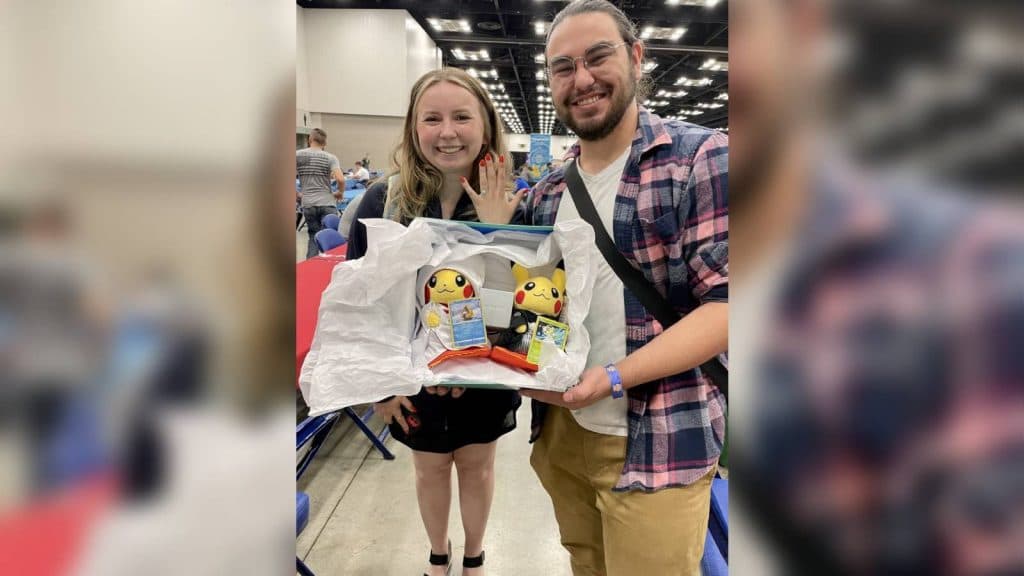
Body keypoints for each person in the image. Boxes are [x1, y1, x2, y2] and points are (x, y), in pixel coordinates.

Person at [514, 1, 730, 574]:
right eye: (563, 67)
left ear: (636, 57)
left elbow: (729, 307)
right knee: (587, 566)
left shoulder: (700, 158)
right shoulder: (546, 194)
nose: (581, 79)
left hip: (660, 434)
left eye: (597, 57)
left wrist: (611, 379)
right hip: (563, 430)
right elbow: (536, 306)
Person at [346, 67, 528, 576]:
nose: (447, 132)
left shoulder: (516, 201)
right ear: (413, 128)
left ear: (485, 125)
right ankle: (437, 555)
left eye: (461, 117)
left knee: (477, 466)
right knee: (428, 469)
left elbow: (527, 301)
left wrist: (496, 230)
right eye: (432, 118)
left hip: (485, 373)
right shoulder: (384, 201)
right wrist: (381, 388)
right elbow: (362, 304)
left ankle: (474, 556)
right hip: (412, 379)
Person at [296, 128, 346, 258]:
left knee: (313, 236)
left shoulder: (297, 155)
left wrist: (297, 194)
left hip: (308, 203)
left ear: (310, 139)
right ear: (324, 143)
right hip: (327, 202)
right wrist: (340, 192)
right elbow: (340, 179)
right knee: (331, 239)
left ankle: (310, 269)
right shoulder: (331, 158)